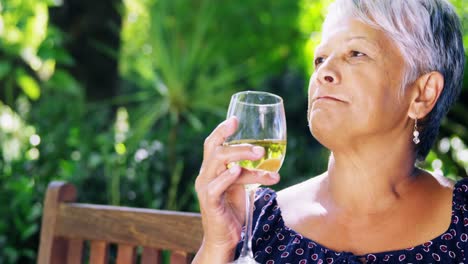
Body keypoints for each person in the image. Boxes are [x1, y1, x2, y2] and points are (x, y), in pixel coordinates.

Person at [192, 0, 466, 262]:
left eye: (356, 53)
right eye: (320, 59)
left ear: (423, 94)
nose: (324, 72)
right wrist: (219, 244)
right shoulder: (260, 220)